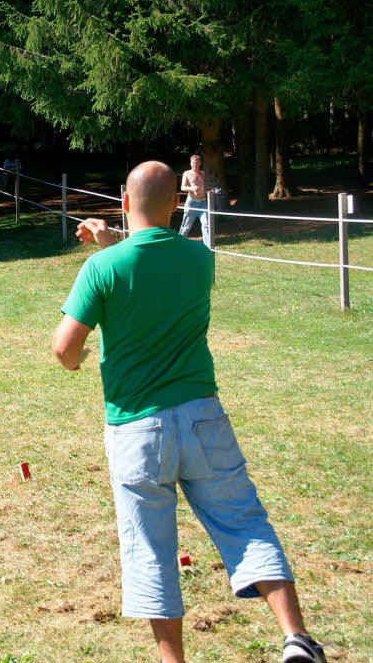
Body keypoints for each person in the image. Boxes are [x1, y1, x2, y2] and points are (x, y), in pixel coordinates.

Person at [51, 161, 326, 663]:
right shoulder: (202, 259)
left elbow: (65, 348)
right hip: (203, 417)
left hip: (135, 426)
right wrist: (119, 238)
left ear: (124, 203)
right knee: (245, 523)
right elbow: (155, 260)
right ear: (177, 203)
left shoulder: (100, 268)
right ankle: (296, 638)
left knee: (150, 550)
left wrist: (78, 359)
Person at [179, 154, 210, 245]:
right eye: (193, 163)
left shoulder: (202, 174)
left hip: (202, 203)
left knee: (206, 224)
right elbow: (182, 187)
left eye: (196, 163)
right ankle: (179, 244)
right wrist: (192, 188)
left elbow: (205, 188)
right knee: (186, 226)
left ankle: (208, 247)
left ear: (200, 163)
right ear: (190, 163)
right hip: (191, 203)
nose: (194, 165)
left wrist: (212, 190)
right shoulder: (187, 173)